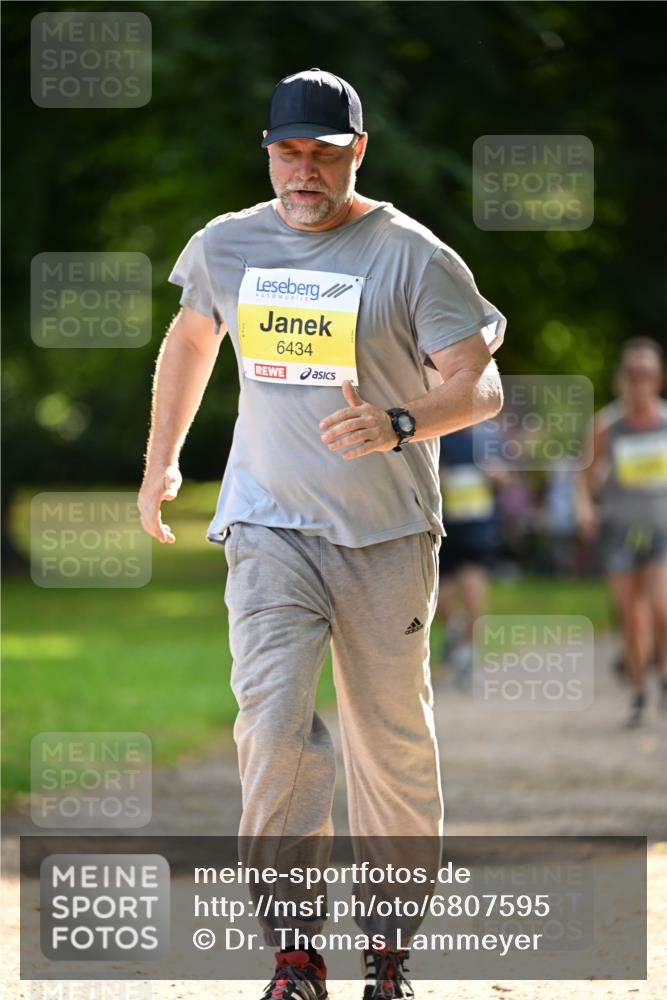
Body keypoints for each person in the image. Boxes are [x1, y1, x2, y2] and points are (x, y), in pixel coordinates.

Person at [138, 68, 506, 1000]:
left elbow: (480, 382)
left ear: (358, 153)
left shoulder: (411, 256)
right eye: (288, 154)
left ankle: (388, 952)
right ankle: (293, 951)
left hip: (385, 534)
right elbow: (190, 340)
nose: (304, 173)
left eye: (324, 156)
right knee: (273, 729)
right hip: (267, 526)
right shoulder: (227, 245)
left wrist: (398, 422)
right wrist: (161, 462)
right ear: (267, 153)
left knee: (389, 741)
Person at [577, 337, 667, 729]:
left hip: (662, 529)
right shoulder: (606, 426)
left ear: (658, 378)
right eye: (633, 373)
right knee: (631, 615)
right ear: (622, 380)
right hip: (619, 532)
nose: (639, 381)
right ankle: (638, 691)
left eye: (646, 373)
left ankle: (663, 675)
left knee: (662, 606)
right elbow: (584, 480)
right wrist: (585, 509)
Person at [436, 422, 501, 687]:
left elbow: (507, 473)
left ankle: (466, 657)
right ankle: (456, 632)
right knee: (440, 601)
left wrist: (495, 473)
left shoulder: (489, 436)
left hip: (478, 531)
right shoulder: (437, 436)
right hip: (446, 530)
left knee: (475, 600)